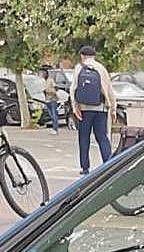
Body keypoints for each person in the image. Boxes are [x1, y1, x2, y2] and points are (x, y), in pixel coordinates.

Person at [70, 46, 116, 175]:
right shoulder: (101, 68)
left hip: (84, 109)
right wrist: (113, 108)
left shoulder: (79, 68)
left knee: (84, 137)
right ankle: (108, 164)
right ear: (94, 56)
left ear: (82, 55)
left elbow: (73, 88)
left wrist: (75, 107)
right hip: (100, 108)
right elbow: (109, 90)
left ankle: (85, 167)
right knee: (102, 137)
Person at [38, 67, 60, 133]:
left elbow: (56, 88)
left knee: (54, 114)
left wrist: (51, 92)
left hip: (53, 99)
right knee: (51, 115)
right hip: (47, 100)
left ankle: (55, 129)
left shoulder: (50, 80)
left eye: (44, 73)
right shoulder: (43, 81)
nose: (43, 75)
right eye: (42, 73)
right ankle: (53, 128)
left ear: (47, 73)